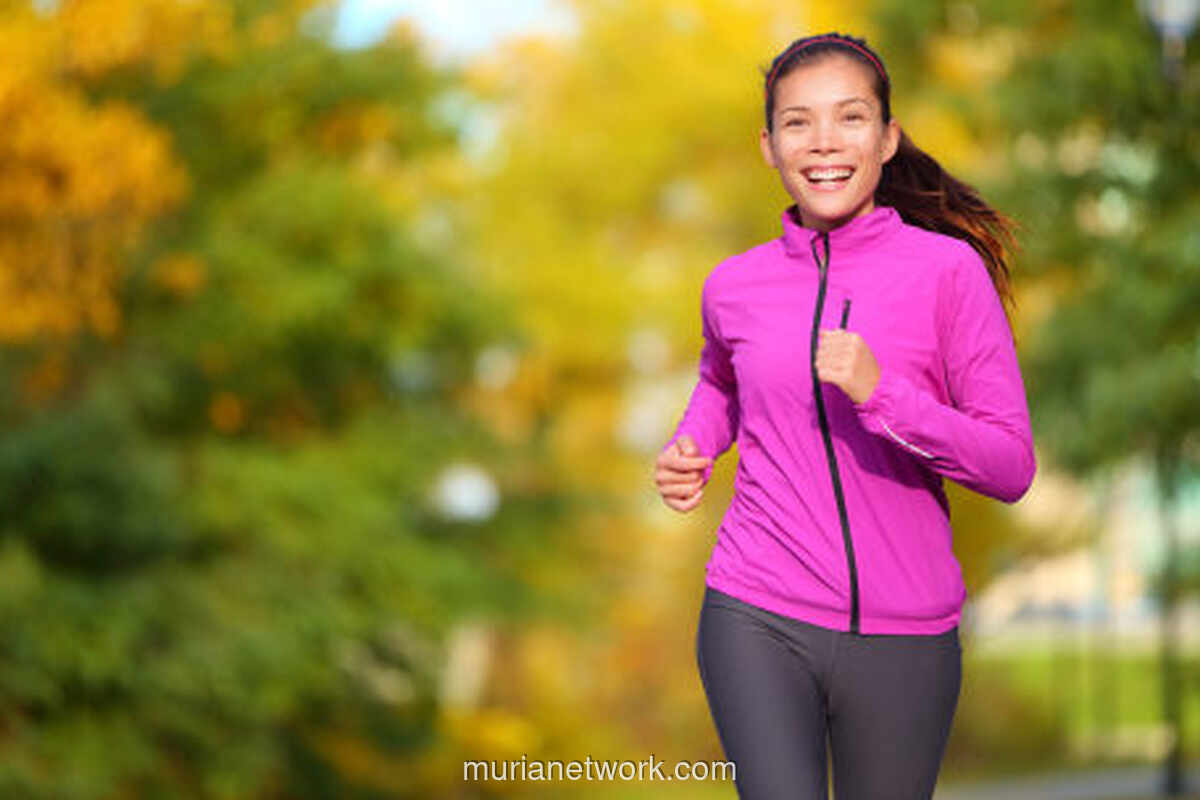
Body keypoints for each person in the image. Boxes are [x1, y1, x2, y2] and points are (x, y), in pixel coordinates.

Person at [653, 32, 1036, 800]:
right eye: (797, 123)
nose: (823, 143)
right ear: (769, 145)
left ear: (887, 138)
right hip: (755, 611)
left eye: (850, 118)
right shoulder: (733, 285)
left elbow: (1009, 465)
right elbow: (721, 379)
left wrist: (882, 394)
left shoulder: (947, 274)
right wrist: (694, 441)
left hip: (906, 635)